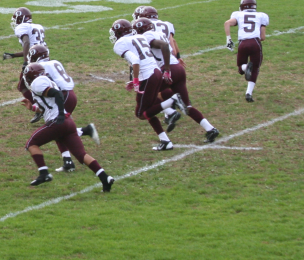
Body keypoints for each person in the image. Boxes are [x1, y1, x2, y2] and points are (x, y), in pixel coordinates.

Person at [21, 62, 113, 190]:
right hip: (68, 122)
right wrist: (32, 108)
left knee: (31, 144)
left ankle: (44, 173)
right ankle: (105, 178)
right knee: (81, 155)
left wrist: (59, 115)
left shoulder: (38, 82)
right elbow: (47, 108)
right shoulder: (46, 80)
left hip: (58, 122)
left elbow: (57, 95)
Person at [131, 15, 219, 143]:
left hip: (169, 69)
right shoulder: (159, 33)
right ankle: (210, 129)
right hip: (178, 69)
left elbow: (165, 46)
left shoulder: (147, 36)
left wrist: (166, 69)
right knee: (186, 105)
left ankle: (171, 110)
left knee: (147, 96)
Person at [109, 19, 185, 151]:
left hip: (148, 76)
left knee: (141, 114)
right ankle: (165, 141)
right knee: (150, 107)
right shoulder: (139, 36)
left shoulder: (120, 44)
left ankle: (172, 101)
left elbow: (135, 60)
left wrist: (137, 80)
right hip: (155, 72)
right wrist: (134, 79)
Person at [224, 0, 268, 103]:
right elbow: (262, 37)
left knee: (240, 68)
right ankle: (249, 93)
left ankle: (245, 67)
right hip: (255, 43)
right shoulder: (262, 15)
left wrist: (228, 39)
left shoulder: (238, 14)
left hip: (242, 43)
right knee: (255, 68)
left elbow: (227, 23)